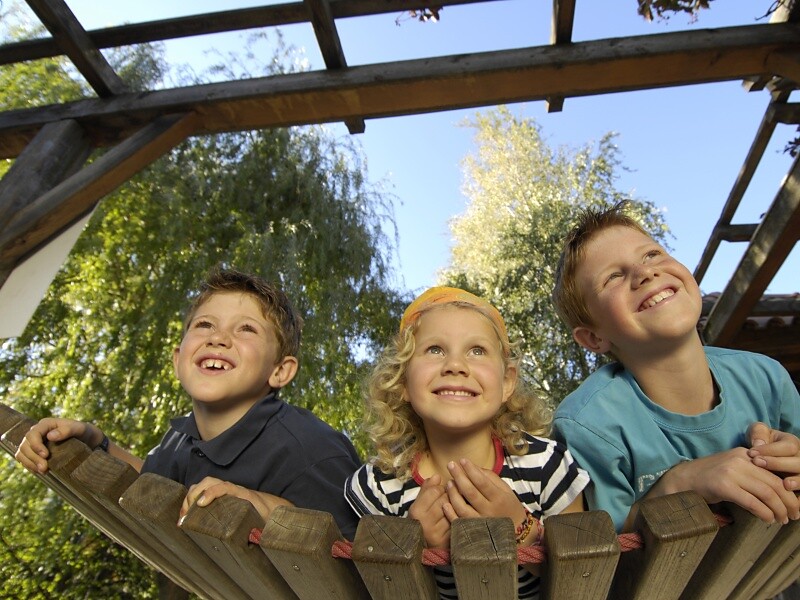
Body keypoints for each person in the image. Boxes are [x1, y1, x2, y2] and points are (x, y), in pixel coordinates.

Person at [15, 268, 361, 540]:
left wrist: (263, 507)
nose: (218, 337)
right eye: (205, 324)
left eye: (246, 329)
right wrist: (95, 441)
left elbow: (354, 552)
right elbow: (152, 483)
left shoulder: (310, 451)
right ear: (178, 360)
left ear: (280, 371)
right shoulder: (181, 439)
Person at [551, 200, 800, 533]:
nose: (645, 273)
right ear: (594, 338)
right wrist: (680, 483)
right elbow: (596, 555)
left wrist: (790, 460)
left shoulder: (767, 378)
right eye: (613, 277)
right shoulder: (587, 426)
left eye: (652, 254)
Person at [345, 286, 588, 600]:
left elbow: (584, 579)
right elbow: (368, 589)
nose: (455, 365)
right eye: (434, 349)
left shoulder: (547, 465)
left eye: (477, 350)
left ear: (506, 382)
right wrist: (415, 550)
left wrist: (522, 530)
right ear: (403, 380)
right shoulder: (378, 485)